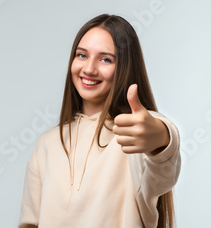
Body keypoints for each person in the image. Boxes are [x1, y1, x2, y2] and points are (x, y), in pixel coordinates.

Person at [18, 14, 181, 228]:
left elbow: (162, 158)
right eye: (82, 55)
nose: (89, 69)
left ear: (125, 67)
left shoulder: (132, 138)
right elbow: (30, 223)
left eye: (106, 59)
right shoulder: (47, 144)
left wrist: (161, 136)